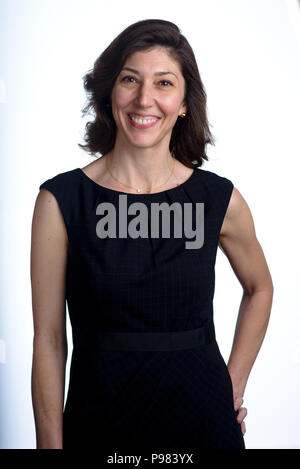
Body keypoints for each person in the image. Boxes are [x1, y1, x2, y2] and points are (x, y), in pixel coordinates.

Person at [30, 19, 273, 453]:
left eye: (164, 83)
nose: (145, 99)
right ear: (110, 91)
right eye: (130, 80)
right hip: (98, 424)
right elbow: (49, 340)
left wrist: (230, 385)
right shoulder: (61, 201)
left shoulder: (219, 198)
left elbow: (260, 287)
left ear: (183, 103)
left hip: (202, 424)